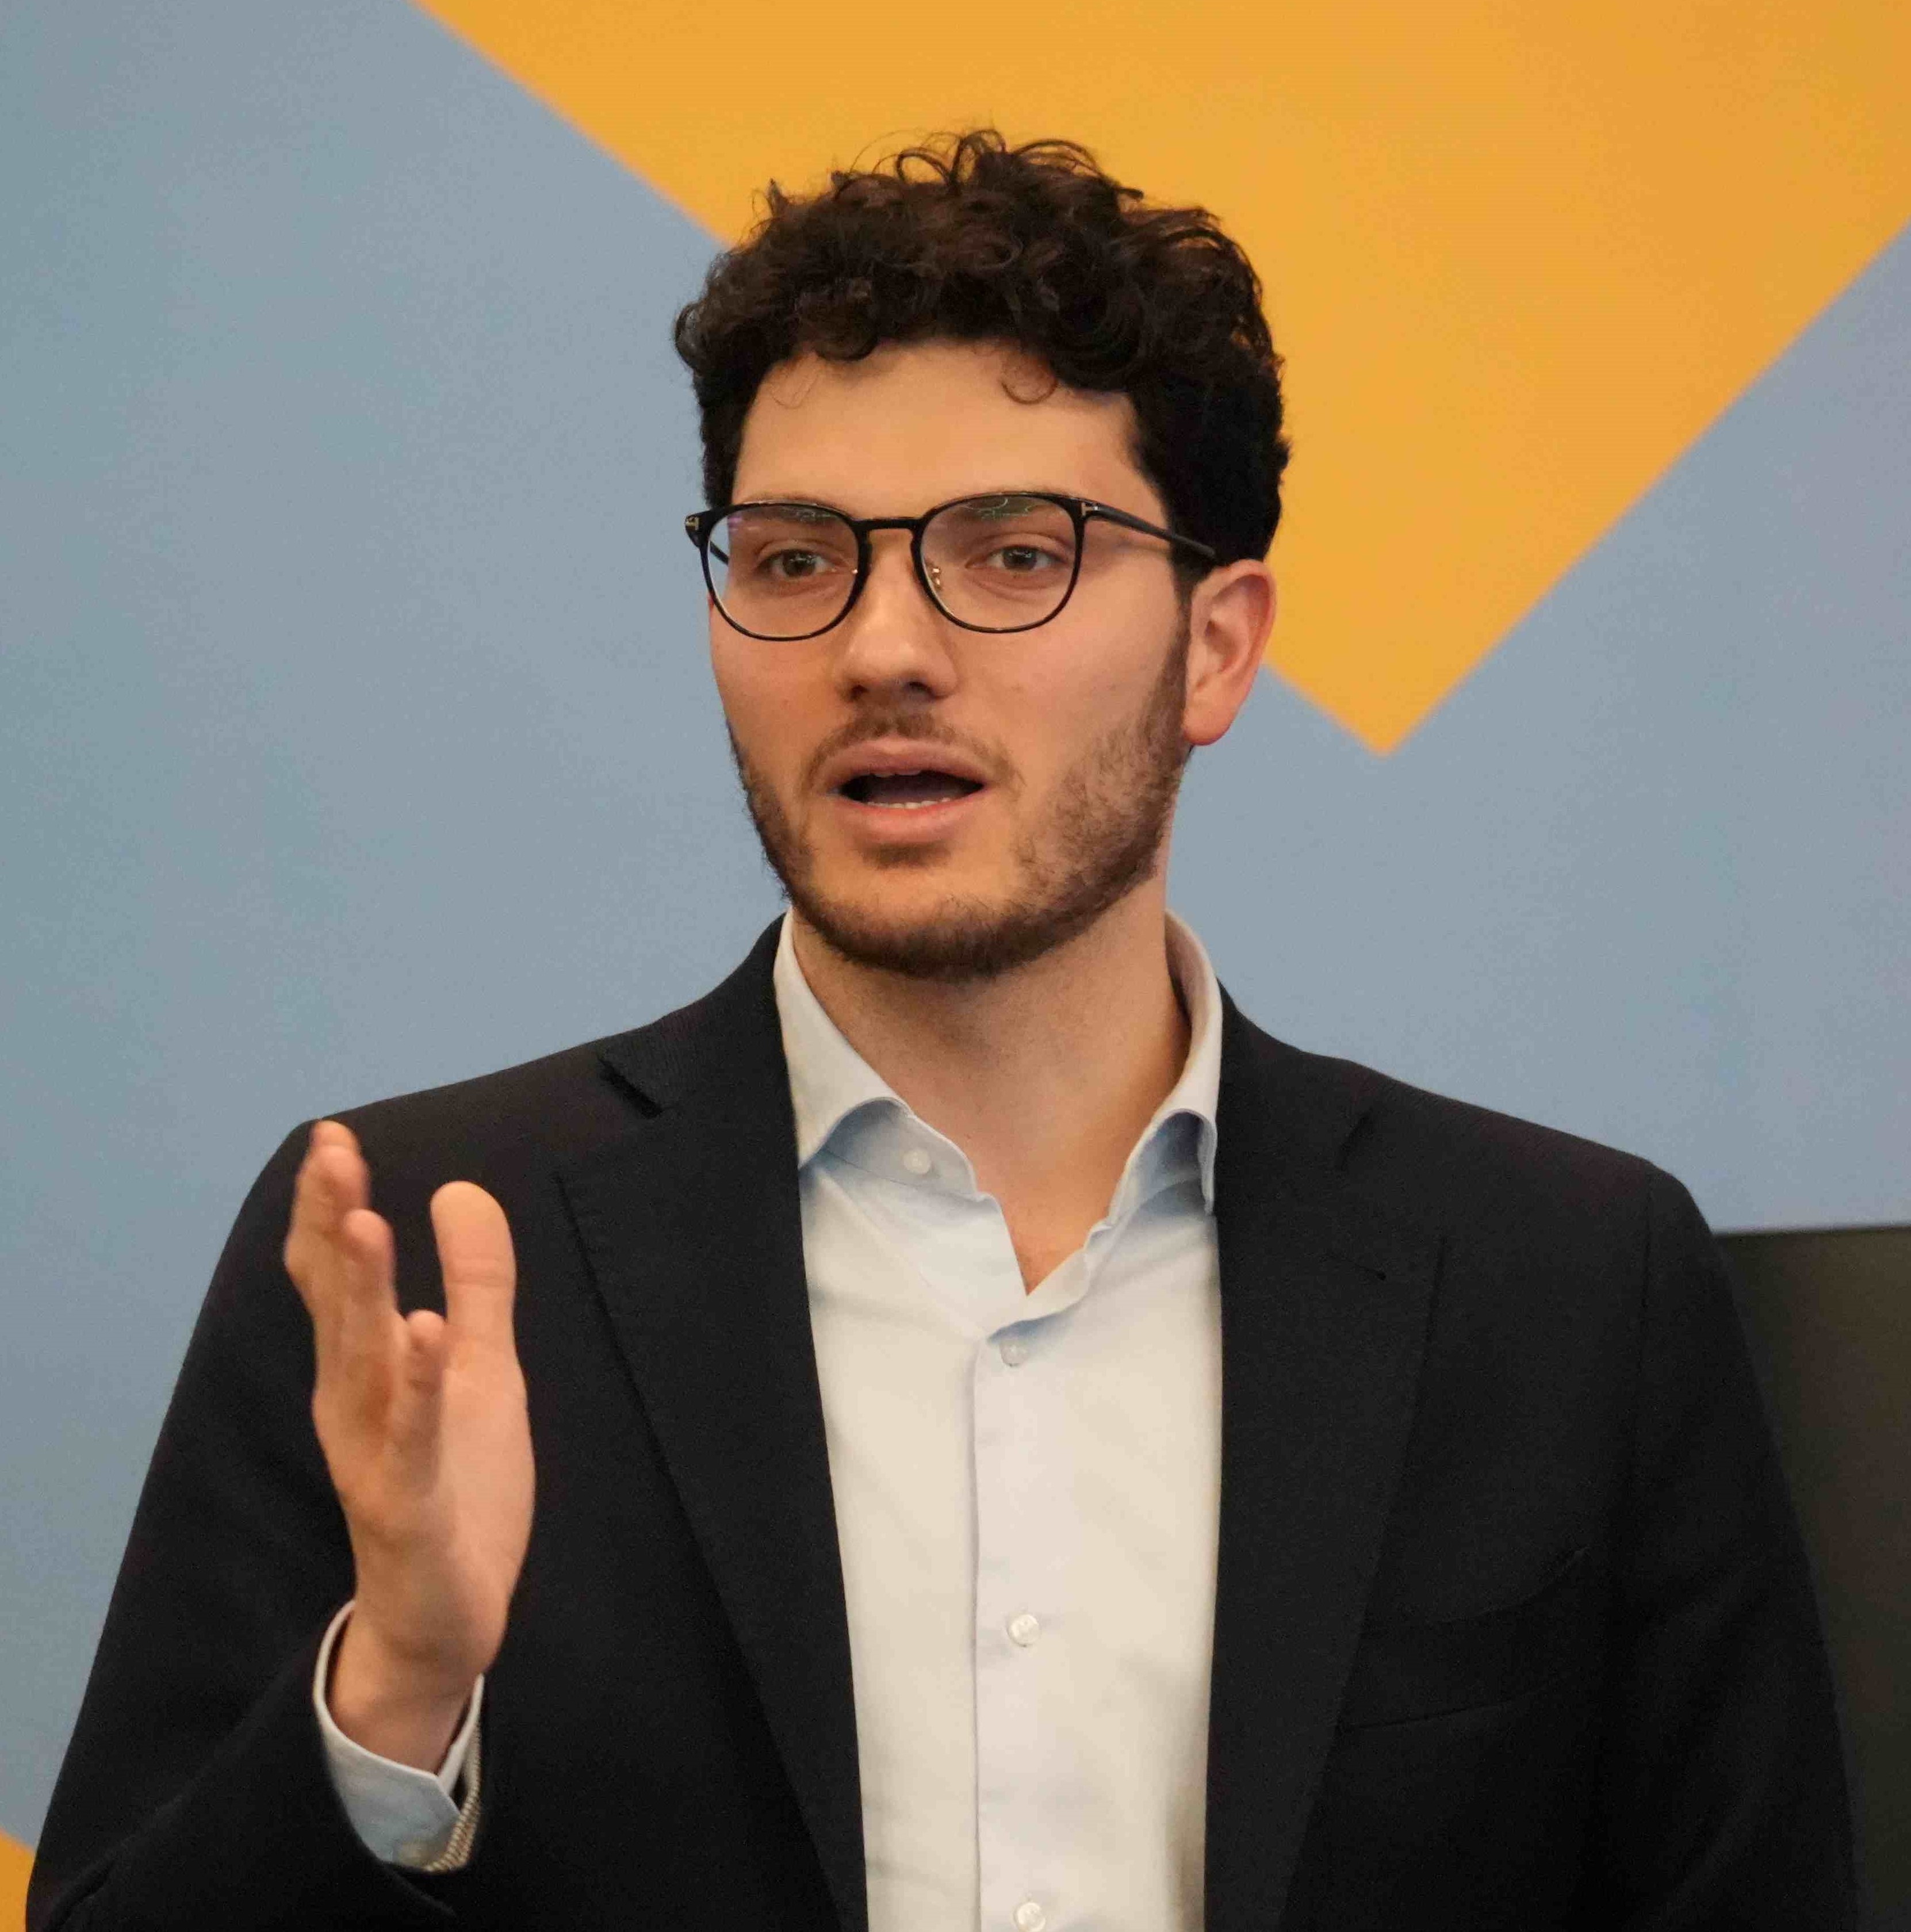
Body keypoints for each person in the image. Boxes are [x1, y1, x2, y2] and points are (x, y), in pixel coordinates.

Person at [28, 130, 1855, 1932]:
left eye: (1011, 554)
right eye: (794, 560)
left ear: (1216, 647)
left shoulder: (1566, 1284)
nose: (882, 649)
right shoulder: (421, 1252)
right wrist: (398, 1694)